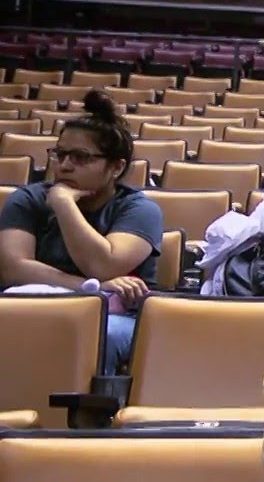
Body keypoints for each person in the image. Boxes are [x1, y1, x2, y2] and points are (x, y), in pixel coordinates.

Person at [0, 89, 162, 372]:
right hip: (30, 304)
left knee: (100, 336)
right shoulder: (28, 199)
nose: (64, 166)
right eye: (60, 155)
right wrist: (90, 287)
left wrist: (64, 204)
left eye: (80, 157)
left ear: (115, 167)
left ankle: (87, 416)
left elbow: (103, 264)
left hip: (114, 317)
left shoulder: (139, 210)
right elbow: (14, 269)